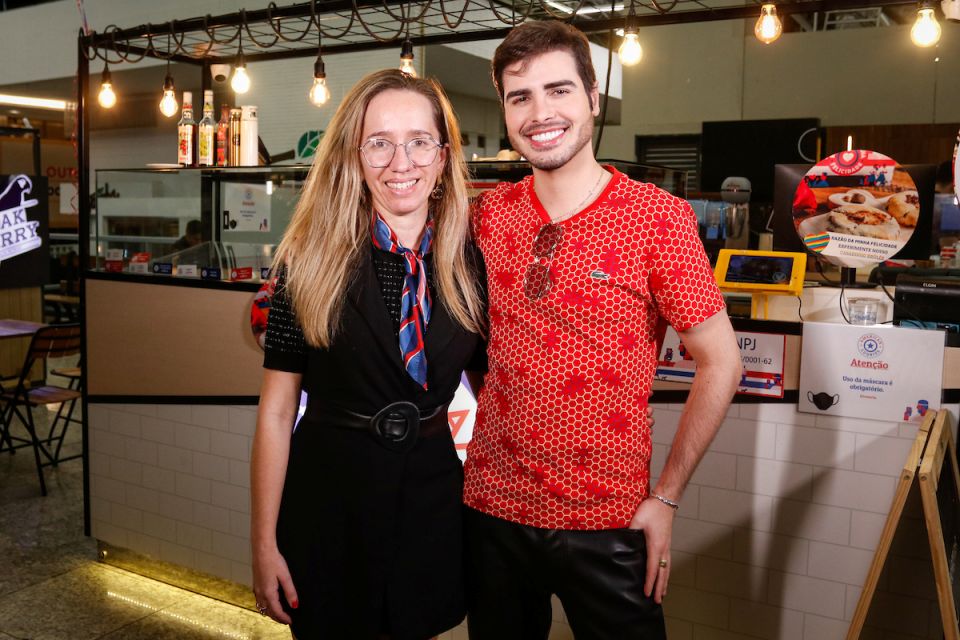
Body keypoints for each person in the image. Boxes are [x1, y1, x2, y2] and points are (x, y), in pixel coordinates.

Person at [463, 21, 742, 640]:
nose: (541, 113)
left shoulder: (655, 217)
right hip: (491, 510)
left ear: (594, 98)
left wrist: (665, 498)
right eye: (521, 96)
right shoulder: (487, 215)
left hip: (609, 518)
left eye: (559, 91)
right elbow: (481, 344)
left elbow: (721, 363)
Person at [250, 68, 487, 640]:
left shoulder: (473, 261)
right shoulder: (306, 262)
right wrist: (262, 543)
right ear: (353, 157)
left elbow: (497, 391)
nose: (399, 162)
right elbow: (278, 414)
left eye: (418, 142)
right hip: (329, 503)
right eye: (379, 143)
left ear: (443, 155)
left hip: (431, 506)